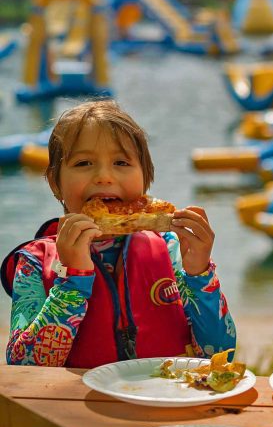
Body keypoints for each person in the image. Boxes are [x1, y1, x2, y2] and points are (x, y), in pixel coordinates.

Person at [2, 100, 236, 367]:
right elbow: (24, 371)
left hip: (167, 399)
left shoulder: (170, 248)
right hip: (77, 407)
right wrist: (72, 280)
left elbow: (220, 354)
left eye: (121, 162)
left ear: (146, 179)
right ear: (56, 183)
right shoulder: (33, 263)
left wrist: (199, 275)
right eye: (84, 162)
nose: (104, 176)